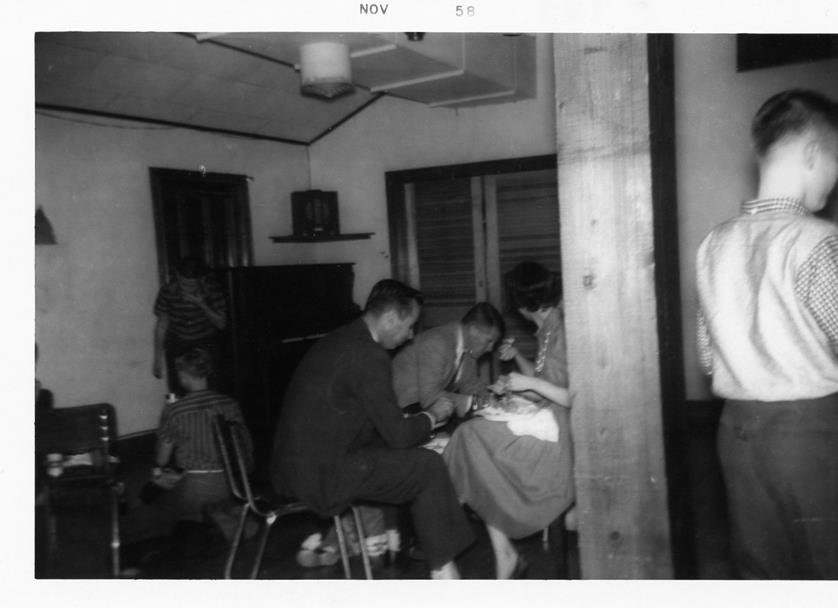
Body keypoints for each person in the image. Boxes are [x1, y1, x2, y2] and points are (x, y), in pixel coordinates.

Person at [695, 89, 838, 579]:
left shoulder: (713, 243)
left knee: (761, 570)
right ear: (813, 154)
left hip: (735, 435)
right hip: (812, 432)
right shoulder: (819, 240)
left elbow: (709, 358)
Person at [271, 279, 474, 579]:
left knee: (407, 460)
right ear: (390, 318)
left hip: (295, 467)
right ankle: (444, 572)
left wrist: (414, 425)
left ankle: (421, 554)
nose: (410, 336)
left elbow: (363, 421)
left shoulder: (341, 339)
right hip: (321, 476)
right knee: (427, 465)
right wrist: (432, 416)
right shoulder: (368, 354)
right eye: (409, 326)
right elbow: (399, 436)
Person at [443, 261, 573, 579]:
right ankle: (502, 551)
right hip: (549, 420)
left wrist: (524, 384)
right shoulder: (548, 328)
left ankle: (464, 540)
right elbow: (544, 381)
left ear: (521, 304)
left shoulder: (562, 330)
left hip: (561, 436)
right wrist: (516, 371)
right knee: (473, 438)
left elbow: (570, 395)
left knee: (471, 439)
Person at [124, 348, 253, 545]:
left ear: (183, 376)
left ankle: (199, 524)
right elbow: (245, 447)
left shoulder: (176, 410)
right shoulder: (230, 404)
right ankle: (222, 519)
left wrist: (164, 419)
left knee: (143, 493)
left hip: (195, 488)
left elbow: (162, 459)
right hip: (233, 484)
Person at [393, 301, 505, 415]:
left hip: (425, 413)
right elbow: (430, 397)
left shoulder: (467, 348)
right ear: (474, 331)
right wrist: (475, 403)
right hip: (403, 412)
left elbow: (469, 383)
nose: (491, 348)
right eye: (489, 341)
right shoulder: (437, 343)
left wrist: (491, 399)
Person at [153, 256, 228, 395]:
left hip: (205, 342)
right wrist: (157, 359)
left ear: (201, 279)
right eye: (184, 284)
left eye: (192, 286)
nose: (187, 289)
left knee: (211, 386)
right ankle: (179, 408)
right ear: (177, 275)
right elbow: (162, 325)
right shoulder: (167, 291)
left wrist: (202, 304)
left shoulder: (212, 290)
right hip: (178, 342)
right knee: (177, 388)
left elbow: (221, 324)